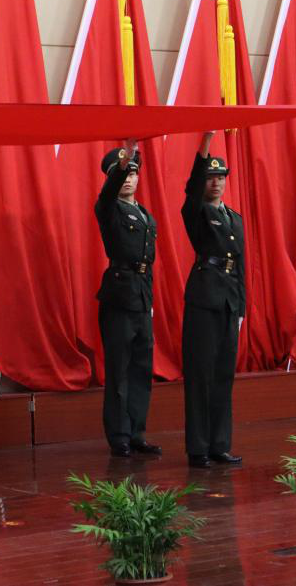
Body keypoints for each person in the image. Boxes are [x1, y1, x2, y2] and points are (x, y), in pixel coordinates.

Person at [180, 131, 245, 468]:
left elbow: (240, 264)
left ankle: (220, 444)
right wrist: (204, 145)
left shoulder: (234, 218)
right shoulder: (197, 212)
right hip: (204, 299)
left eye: (220, 177)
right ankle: (199, 447)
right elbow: (192, 190)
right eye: (210, 177)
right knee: (201, 374)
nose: (216, 183)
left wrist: (241, 308)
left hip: (229, 302)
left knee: (223, 374)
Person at [95, 139, 161, 459]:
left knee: (141, 368)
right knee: (119, 368)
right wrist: (122, 164)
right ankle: (119, 435)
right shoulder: (109, 208)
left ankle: (136, 432)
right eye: (123, 174)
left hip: (142, 295)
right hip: (119, 295)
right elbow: (107, 194)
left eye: (133, 173)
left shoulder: (146, 215)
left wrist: (150, 301)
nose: (128, 179)